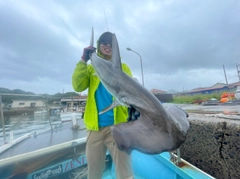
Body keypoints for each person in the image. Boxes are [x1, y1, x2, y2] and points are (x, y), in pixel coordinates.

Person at [72, 31, 134, 179]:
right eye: (103, 43)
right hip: (95, 128)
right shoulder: (91, 68)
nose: (107, 46)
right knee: (94, 171)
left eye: (110, 44)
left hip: (118, 127)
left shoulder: (123, 68)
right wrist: (83, 60)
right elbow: (78, 86)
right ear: (98, 47)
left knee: (125, 172)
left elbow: (130, 92)